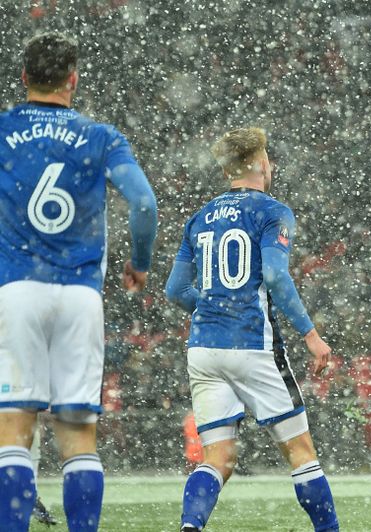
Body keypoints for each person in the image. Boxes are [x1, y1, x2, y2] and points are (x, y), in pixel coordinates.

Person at [0, 31, 158, 532]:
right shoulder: (101, 136)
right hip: (81, 295)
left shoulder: (3, 129)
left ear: (24, 78)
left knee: (14, 429)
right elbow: (144, 203)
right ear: (73, 79)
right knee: (77, 433)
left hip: (17, 288)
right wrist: (141, 262)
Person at [164, 127, 338, 532]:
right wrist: (310, 334)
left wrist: (212, 306)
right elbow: (276, 277)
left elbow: (175, 290)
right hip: (252, 344)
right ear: (261, 163)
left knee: (217, 459)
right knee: (300, 450)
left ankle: (190, 526)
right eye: (268, 159)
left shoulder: (200, 217)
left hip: (204, 348)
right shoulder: (272, 211)